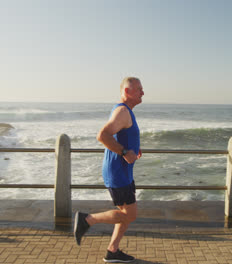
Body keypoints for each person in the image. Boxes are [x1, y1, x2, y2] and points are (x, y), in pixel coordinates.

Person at [73, 77, 144, 263]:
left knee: (125, 214)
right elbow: (102, 135)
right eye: (139, 89)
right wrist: (124, 151)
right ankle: (87, 220)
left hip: (122, 172)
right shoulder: (122, 111)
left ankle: (112, 251)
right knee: (130, 214)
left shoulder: (125, 111)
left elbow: (121, 134)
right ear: (128, 91)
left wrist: (133, 148)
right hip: (118, 173)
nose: (143, 93)